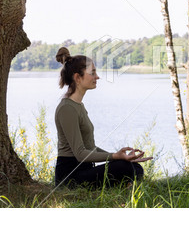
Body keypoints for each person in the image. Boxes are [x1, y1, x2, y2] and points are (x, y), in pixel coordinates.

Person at [54, 47, 152, 188]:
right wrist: (115, 157)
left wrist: (120, 156)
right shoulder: (67, 108)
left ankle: (124, 182)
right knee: (123, 168)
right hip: (70, 177)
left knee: (134, 167)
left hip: (85, 169)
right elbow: (80, 154)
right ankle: (124, 183)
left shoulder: (78, 105)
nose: (97, 77)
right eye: (92, 73)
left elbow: (90, 148)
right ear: (77, 77)